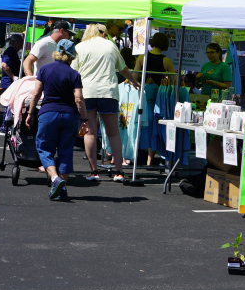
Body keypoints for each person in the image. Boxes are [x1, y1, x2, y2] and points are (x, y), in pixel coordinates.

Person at [75, 23, 141, 181]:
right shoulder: (110, 46)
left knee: (89, 132)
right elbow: (123, 68)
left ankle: (94, 172)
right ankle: (119, 172)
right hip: (108, 92)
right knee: (113, 133)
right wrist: (133, 82)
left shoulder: (80, 47)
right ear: (103, 33)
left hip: (87, 92)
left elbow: (73, 70)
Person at [28, 38, 89, 201]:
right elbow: (79, 99)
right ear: (71, 56)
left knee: (44, 148)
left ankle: (55, 179)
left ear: (57, 51)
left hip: (48, 114)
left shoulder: (45, 70)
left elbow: (36, 94)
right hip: (69, 116)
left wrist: (30, 113)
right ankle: (62, 189)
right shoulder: (74, 74)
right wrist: (84, 119)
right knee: (66, 152)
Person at [134, 32, 176, 167]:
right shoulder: (166, 61)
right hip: (158, 98)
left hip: (142, 95)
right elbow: (173, 82)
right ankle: (150, 158)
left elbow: (134, 76)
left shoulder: (142, 57)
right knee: (154, 126)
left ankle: (133, 154)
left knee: (140, 123)